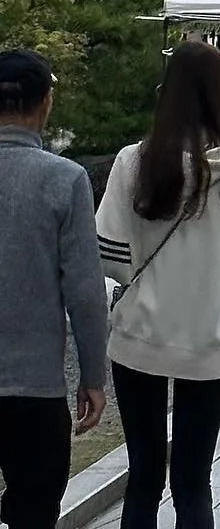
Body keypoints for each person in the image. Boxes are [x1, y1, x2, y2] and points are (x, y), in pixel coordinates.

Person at [97, 40, 220, 529]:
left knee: (144, 476)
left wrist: (142, 284)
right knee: (194, 480)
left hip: (140, 334)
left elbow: (109, 251)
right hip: (210, 334)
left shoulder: (136, 162)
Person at [0, 49, 108, 529]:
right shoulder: (65, 180)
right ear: (45, 103)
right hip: (35, 388)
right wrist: (92, 375)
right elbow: (85, 291)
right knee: (33, 511)